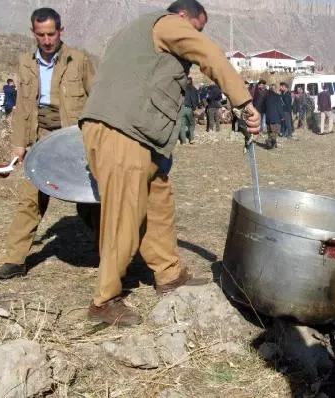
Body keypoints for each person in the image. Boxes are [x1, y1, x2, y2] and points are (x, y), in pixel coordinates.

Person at [79, 0, 260, 325]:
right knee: (124, 212)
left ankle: (169, 276)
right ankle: (103, 301)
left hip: (138, 135)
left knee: (158, 202)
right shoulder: (166, 24)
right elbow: (209, 54)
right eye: (197, 27)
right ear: (182, 17)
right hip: (122, 131)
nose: (196, 34)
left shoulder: (133, 36)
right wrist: (244, 102)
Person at [0, 8, 99, 280]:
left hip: (75, 139)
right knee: (30, 198)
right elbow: (24, 105)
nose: (47, 40)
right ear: (33, 33)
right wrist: (19, 145)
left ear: (61, 31)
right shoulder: (26, 61)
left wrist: (97, 140)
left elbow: (96, 98)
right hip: (41, 138)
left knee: (89, 201)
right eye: (41, 35)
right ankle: (15, 260)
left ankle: (111, 254)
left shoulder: (79, 59)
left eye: (51, 33)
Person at [179, 77, 199, 144]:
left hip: (181, 108)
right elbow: (194, 99)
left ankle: (183, 141)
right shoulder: (193, 89)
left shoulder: (181, 89)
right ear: (191, 81)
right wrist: (194, 108)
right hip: (189, 109)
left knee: (182, 125)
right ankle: (191, 139)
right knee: (191, 124)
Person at [263, 84, 282, 149]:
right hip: (275, 117)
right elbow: (279, 107)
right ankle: (269, 142)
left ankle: (274, 144)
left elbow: (264, 107)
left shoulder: (266, 97)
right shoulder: (277, 96)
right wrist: (282, 115)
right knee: (275, 132)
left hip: (268, 117)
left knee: (270, 131)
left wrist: (266, 113)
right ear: (275, 89)